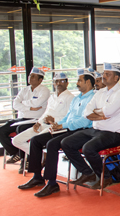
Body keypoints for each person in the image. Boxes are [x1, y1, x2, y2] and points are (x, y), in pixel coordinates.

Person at [17, 69, 96, 197]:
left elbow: (84, 121)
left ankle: (52, 183)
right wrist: (58, 124)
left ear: (88, 82)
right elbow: (68, 116)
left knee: (52, 144)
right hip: (67, 128)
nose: (77, 83)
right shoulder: (77, 99)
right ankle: (37, 177)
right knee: (36, 141)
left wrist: (62, 125)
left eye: (79, 80)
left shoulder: (93, 98)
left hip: (80, 131)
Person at [61, 63, 120, 190]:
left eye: (108, 74)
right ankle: (88, 173)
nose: (104, 76)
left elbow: (108, 111)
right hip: (96, 130)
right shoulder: (100, 92)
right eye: (104, 73)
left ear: (116, 78)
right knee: (66, 143)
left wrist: (99, 112)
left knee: (88, 148)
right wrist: (100, 114)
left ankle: (106, 177)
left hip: (114, 133)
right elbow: (87, 112)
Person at [12, 72, 74, 173]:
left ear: (67, 83)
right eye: (56, 81)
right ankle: (41, 155)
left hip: (56, 128)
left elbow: (69, 117)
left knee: (34, 141)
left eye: (62, 81)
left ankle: (35, 173)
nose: (59, 83)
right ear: (53, 83)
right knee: (16, 140)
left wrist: (54, 120)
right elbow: (46, 112)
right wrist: (38, 123)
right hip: (43, 124)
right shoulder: (52, 97)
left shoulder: (70, 98)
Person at [0, 67, 50, 166]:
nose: (30, 78)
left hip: (35, 121)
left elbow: (37, 104)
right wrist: (29, 107)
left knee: (20, 129)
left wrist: (23, 103)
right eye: (30, 76)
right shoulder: (24, 90)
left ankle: (24, 161)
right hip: (21, 119)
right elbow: (15, 104)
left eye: (33, 76)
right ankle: (16, 153)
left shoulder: (44, 90)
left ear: (40, 80)